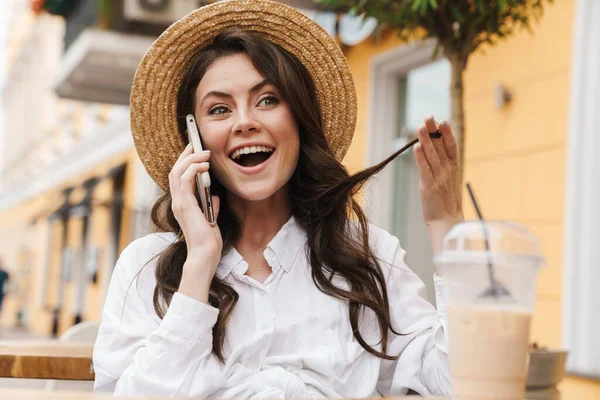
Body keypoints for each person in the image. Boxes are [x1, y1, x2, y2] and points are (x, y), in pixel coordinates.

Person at [92, 0, 463, 398]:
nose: (245, 121)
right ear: (195, 142)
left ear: (300, 120)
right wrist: (199, 264)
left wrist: (448, 226)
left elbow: (459, 384)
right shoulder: (145, 267)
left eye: (268, 100)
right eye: (219, 109)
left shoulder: (370, 256)